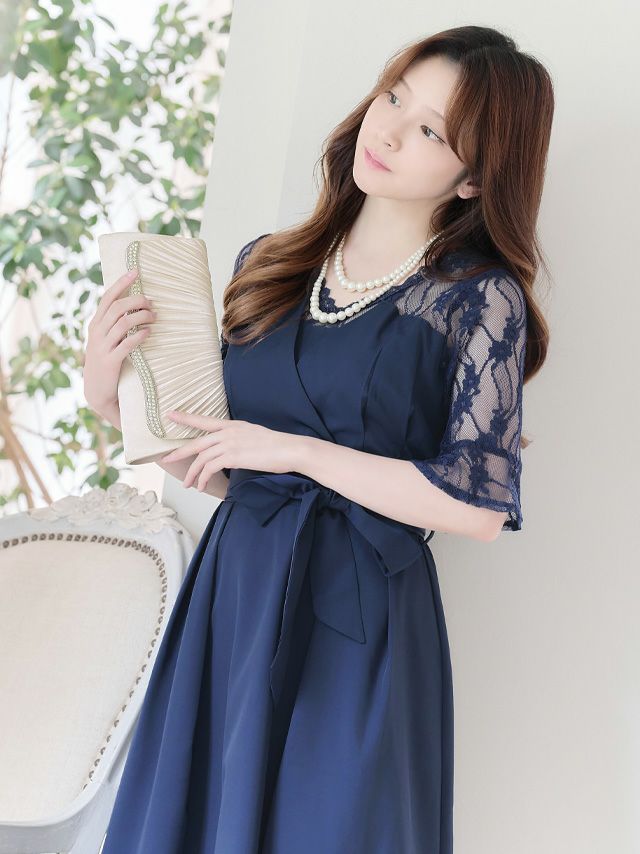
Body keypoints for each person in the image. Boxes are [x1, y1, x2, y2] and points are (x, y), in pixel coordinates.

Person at [85, 24, 552, 854]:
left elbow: (476, 507)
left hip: (358, 619)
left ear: (476, 177)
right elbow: (222, 464)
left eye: (431, 131)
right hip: (234, 592)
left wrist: (298, 452)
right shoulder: (271, 262)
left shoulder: (476, 300)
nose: (389, 130)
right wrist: (108, 393)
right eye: (394, 97)